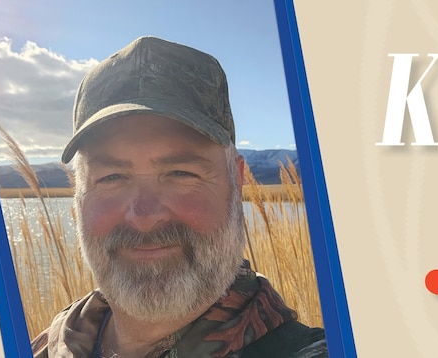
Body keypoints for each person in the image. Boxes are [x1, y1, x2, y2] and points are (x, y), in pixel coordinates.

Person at [29, 36, 327, 358]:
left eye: (181, 174)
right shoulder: (47, 344)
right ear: (78, 195)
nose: (144, 216)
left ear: (237, 182)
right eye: (112, 177)